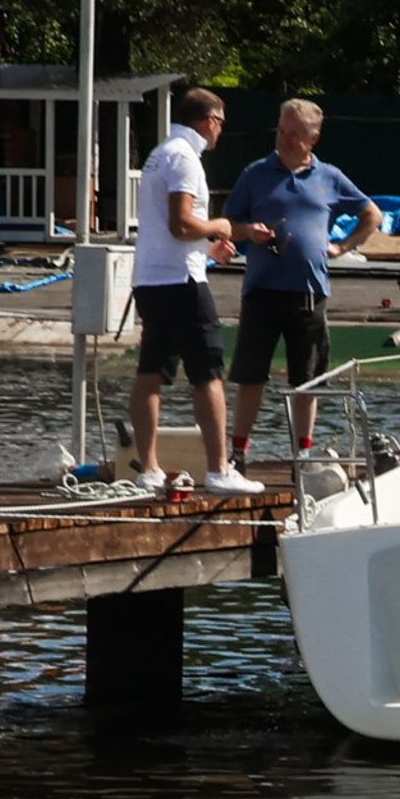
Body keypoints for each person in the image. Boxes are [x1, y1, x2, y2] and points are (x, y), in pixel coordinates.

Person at [224, 98, 383, 469]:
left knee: (307, 379)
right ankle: (238, 450)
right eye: (280, 130)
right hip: (262, 290)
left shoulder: (329, 177)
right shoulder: (255, 173)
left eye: (293, 134)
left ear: (313, 138)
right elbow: (227, 224)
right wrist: (249, 231)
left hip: (309, 292)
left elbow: (372, 214)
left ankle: (303, 454)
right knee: (250, 375)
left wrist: (343, 246)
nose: (283, 139)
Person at [128, 87, 253, 496]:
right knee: (208, 372)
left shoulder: (160, 153)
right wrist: (220, 227)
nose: (219, 132)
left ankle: (148, 469)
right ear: (210, 121)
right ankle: (219, 470)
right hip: (181, 283)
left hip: (151, 278)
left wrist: (207, 249)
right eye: (220, 124)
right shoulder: (185, 157)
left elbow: (176, 232)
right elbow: (181, 224)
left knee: (151, 372)